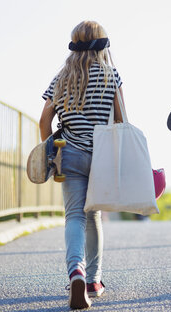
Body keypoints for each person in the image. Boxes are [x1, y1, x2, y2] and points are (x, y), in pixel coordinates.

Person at [39, 20, 125, 309]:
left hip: (70, 154)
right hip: (101, 155)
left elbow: (44, 121)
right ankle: (93, 281)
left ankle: (75, 270)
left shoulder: (61, 78)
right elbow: (121, 120)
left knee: (74, 216)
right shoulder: (111, 75)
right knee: (94, 218)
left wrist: (49, 151)